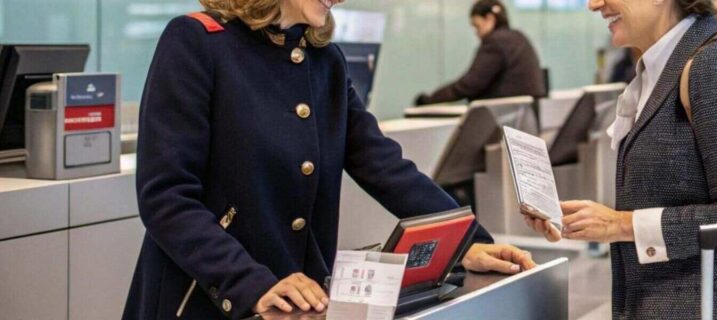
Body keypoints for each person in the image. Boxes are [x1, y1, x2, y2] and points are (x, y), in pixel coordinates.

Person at [122, 0, 536, 318]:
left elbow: (383, 165)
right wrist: (247, 282)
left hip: (297, 300)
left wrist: (464, 241)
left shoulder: (325, 62)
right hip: (204, 299)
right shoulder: (196, 41)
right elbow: (166, 198)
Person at [526, 0, 717, 318]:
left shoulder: (715, 67)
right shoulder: (657, 74)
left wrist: (621, 224)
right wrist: (592, 223)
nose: (594, 4)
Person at [415, 0, 545, 105]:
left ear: (489, 19)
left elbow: (469, 85)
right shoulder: (519, 37)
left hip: (504, 119)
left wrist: (430, 100)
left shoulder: (495, 42)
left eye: (477, 26)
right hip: (525, 118)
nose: (476, 33)